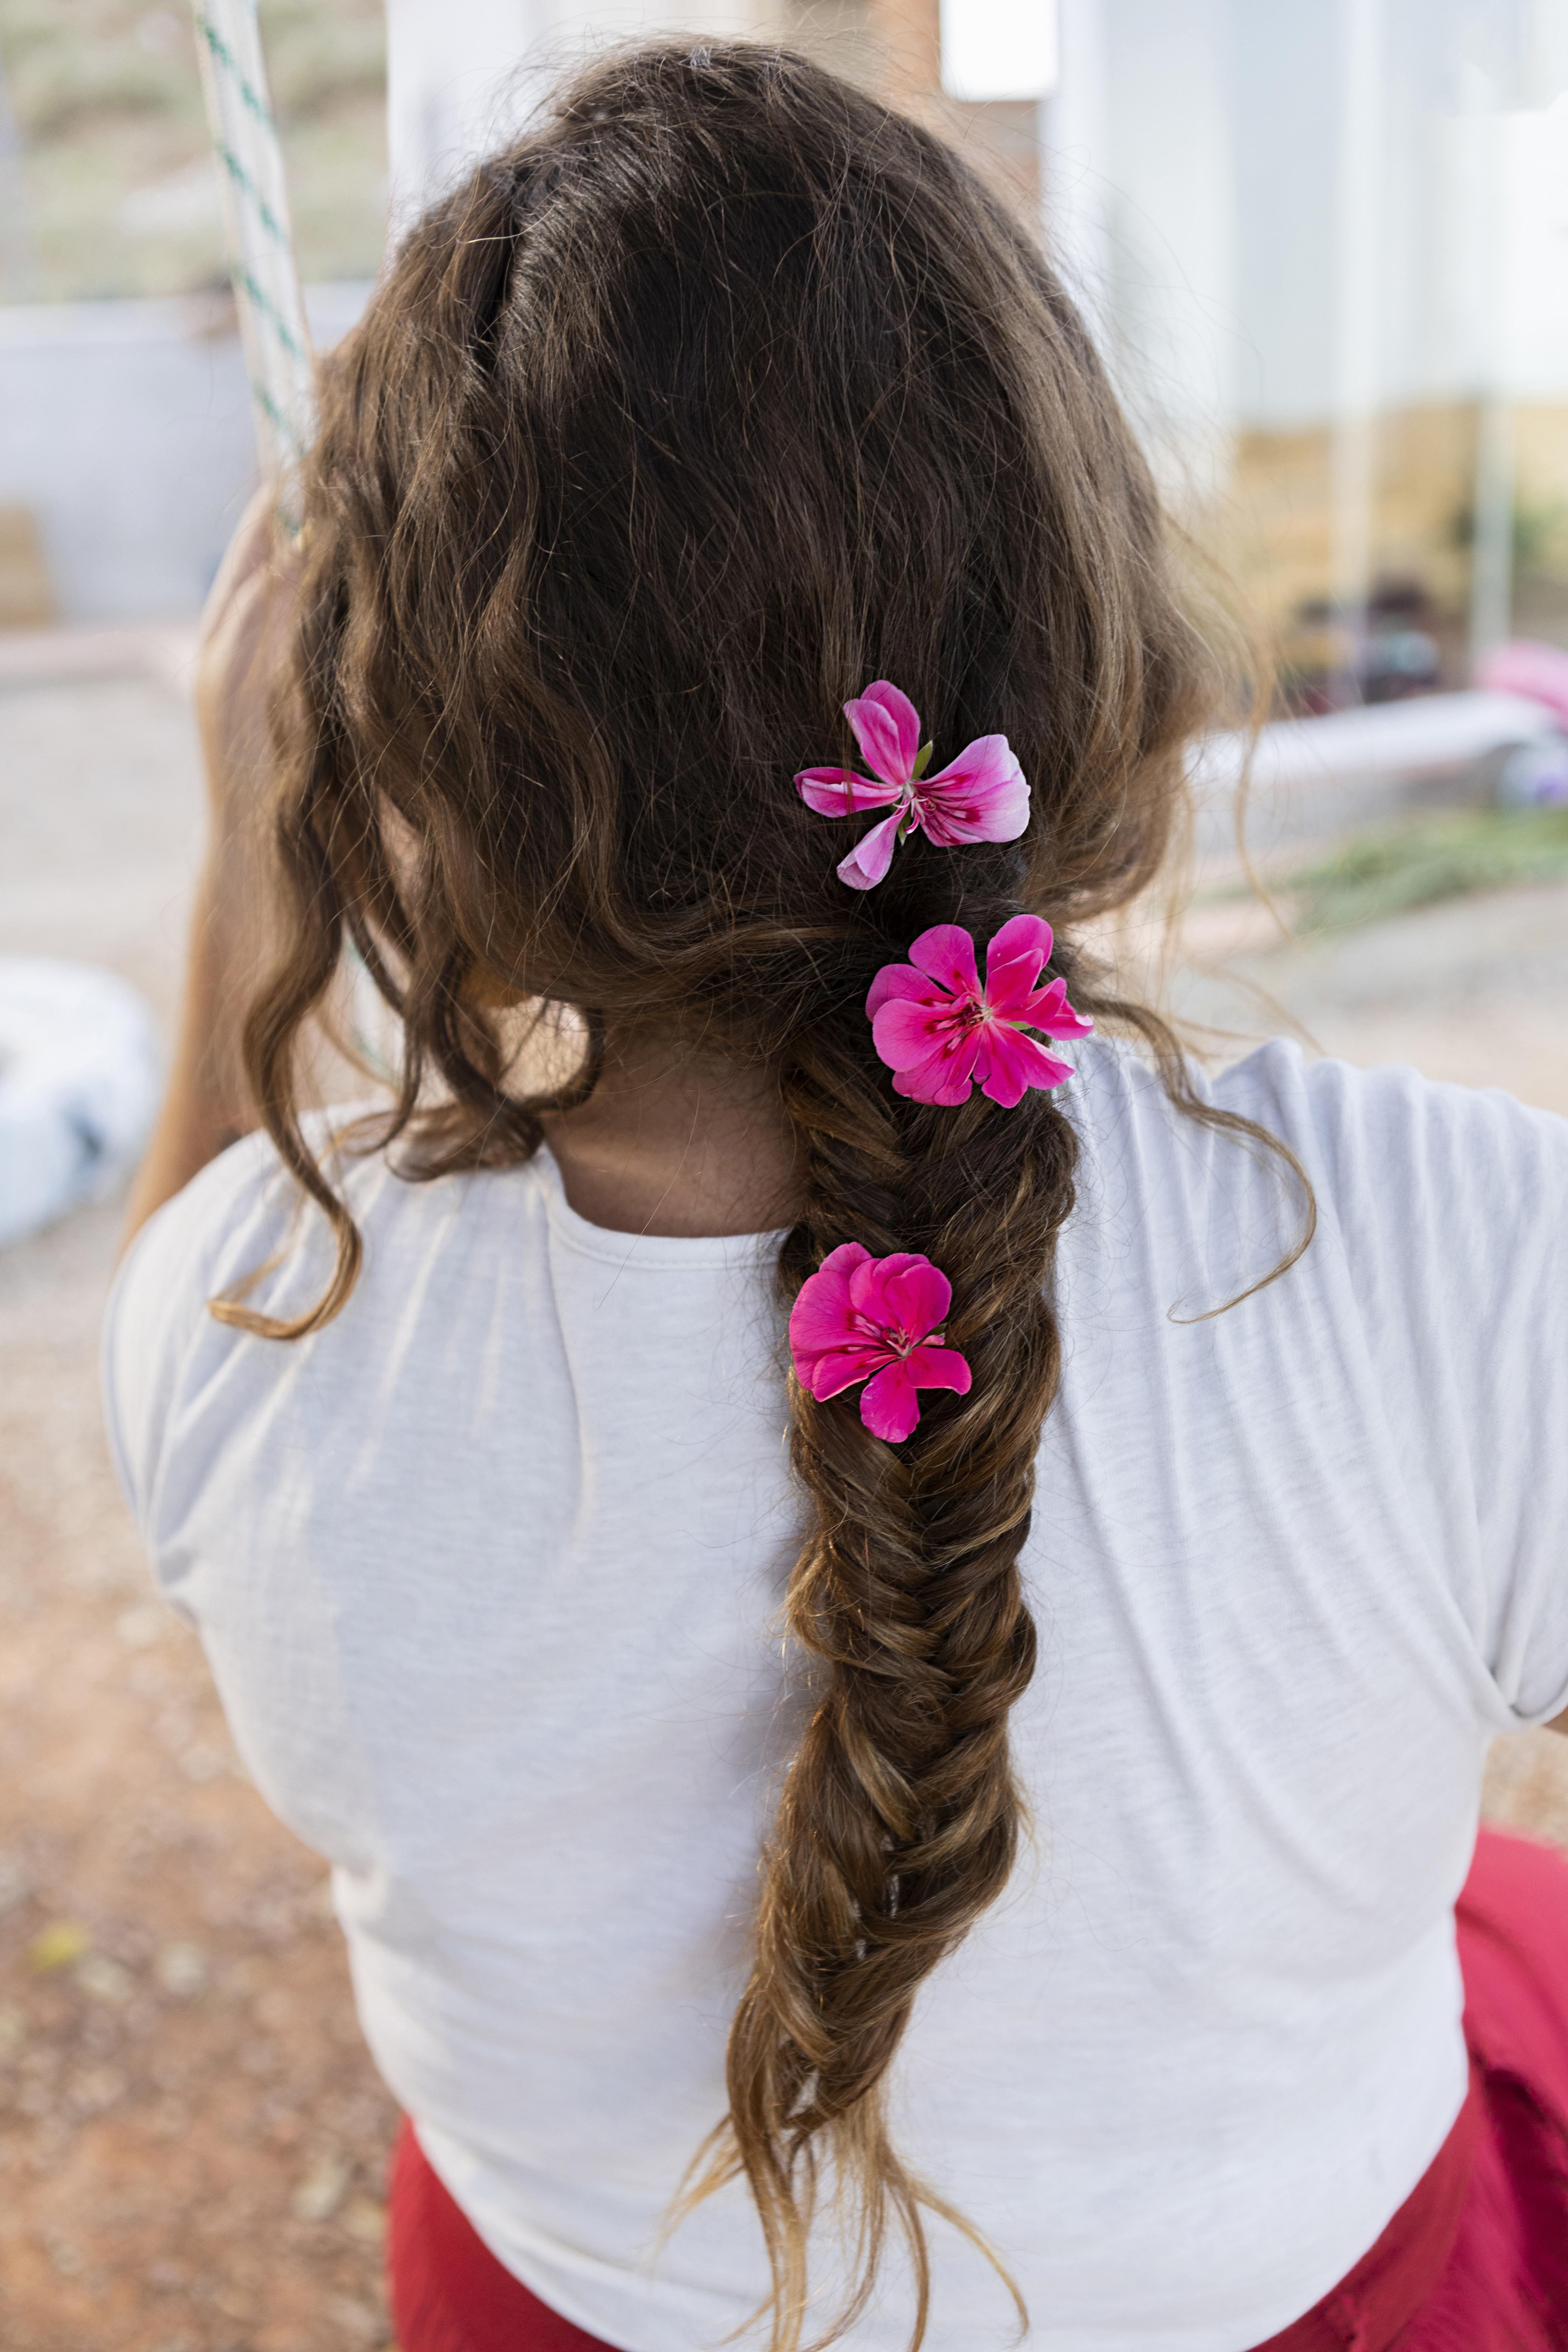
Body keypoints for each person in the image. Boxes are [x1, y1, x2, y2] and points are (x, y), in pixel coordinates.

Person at [104, 43, 1568, 2352]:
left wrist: (239, 879)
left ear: (408, 761)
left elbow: (172, 1332)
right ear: (1078, 636)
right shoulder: (1453, 1255)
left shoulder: (254, 1327)